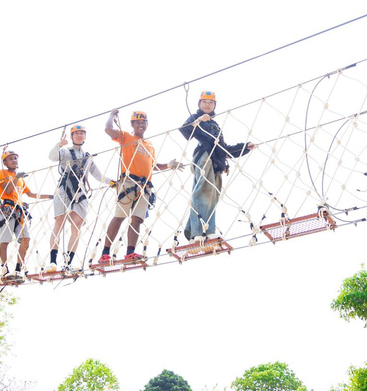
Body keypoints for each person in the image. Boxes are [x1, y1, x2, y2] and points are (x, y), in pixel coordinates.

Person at [99, 109, 181, 264]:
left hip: (144, 186)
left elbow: (152, 165)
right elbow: (108, 130)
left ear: (147, 124)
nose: (141, 125)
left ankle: (130, 251)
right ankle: (105, 252)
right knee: (119, 217)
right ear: (132, 124)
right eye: (137, 122)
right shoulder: (126, 137)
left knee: (137, 219)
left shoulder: (149, 145)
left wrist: (169, 165)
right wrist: (111, 116)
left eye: (143, 122)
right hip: (129, 182)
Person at [179, 91, 256, 243]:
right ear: (199, 104)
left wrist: (245, 147)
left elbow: (224, 149)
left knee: (212, 197)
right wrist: (198, 120)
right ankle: (197, 232)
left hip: (216, 163)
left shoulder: (215, 125)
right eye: (204, 102)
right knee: (202, 192)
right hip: (204, 158)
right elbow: (185, 131)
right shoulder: (196, 118)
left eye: (211, 102)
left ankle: (201, 229)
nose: (207, 105)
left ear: (214, 105)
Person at [47, 125, 107, 272]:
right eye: (76, 133)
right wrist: (58, 145)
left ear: (85, 136)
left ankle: (68, 261)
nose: (79, 136)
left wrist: (112, 182)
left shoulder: (87, 157)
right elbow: (52, 157)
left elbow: (98, 176)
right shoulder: (65, 151)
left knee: (77, 226)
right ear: (72, 136)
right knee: (59, 222)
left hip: (79, 193)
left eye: (82, 133)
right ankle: (53, 261)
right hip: (64, 189)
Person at [0, 149, 53, 279]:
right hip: (7, 209)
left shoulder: (20, 179)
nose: (13, 160)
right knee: (5, 241)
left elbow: (30, 194)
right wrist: (16, 178)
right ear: (4, 162)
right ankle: (5, 268)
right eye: (10, 159)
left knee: (26, 239)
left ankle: (18, 268)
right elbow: (7, 189)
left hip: (19, 211)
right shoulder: (3, 173)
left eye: (15, 158)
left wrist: (50, 196)